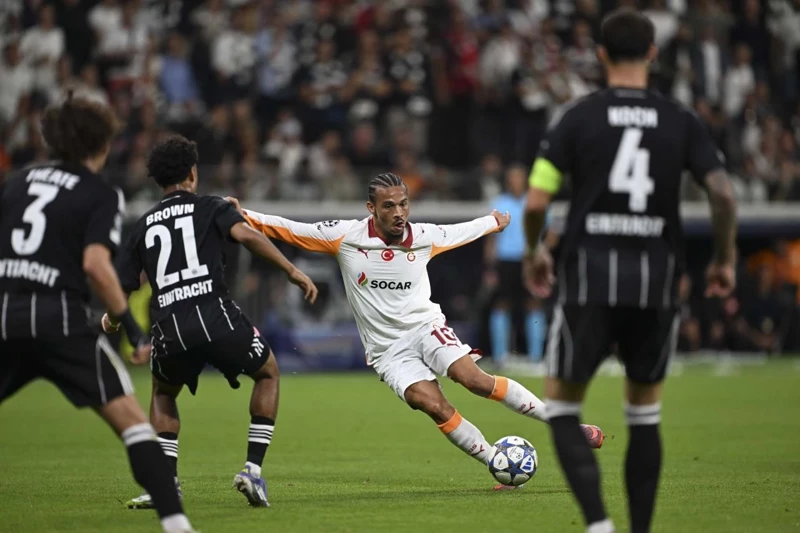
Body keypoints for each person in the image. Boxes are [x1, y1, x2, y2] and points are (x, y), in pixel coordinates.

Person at [226, 172, 605, 491]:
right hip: (387, 350)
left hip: (426, 328)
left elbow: (461, 230)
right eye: (389, 206)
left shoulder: (424, 236)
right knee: (432, 405)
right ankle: (497, 461)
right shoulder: (346, 237)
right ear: (371, 208)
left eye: (404, 204)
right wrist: (245, 215)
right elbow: (290, 229)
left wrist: (493, 222)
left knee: (474, 380)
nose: (399, 213)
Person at [523, 9, 737, 533]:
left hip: (589, 279)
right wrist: (725, 258)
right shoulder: (680, 120)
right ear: (652, 54)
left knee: (563, 409)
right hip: (655, 280)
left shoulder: (577, 117)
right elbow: (724, 194)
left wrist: (534, 251)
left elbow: (536, 201)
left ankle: (599, 525)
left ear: (601, 54)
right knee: (644, 415)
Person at [0, 94, 196, 533]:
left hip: (6, 314)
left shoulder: (15, 183)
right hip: (60, 319)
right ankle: (176, 525)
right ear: (102, 143)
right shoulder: (99, 192)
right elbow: (95, 264)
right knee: (134, 425)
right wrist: (134, 330)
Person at [103, 136, 318, 509]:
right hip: (215, 316)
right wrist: (291, 270)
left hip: (169, 325)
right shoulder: (211, 206)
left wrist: (111, 317)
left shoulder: (143, 224)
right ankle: (252, 470)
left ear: (157, 179)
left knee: (163, 393)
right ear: (192, 172)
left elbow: (124, 283)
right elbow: (247, 235)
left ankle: (167, 484)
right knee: (267, 372)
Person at [484, 165, 549, 364]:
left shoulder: (534, 203)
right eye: (512, 178)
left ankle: (536, 357)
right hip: (506, 261)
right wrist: (490, 268)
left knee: (533, 304)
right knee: (502, 304)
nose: (515, 181)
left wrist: (541, 255)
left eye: (519, 177)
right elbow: (491, 238)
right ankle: (500, 356)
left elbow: (548, 232)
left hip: (529, 259)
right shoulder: (499, 204)